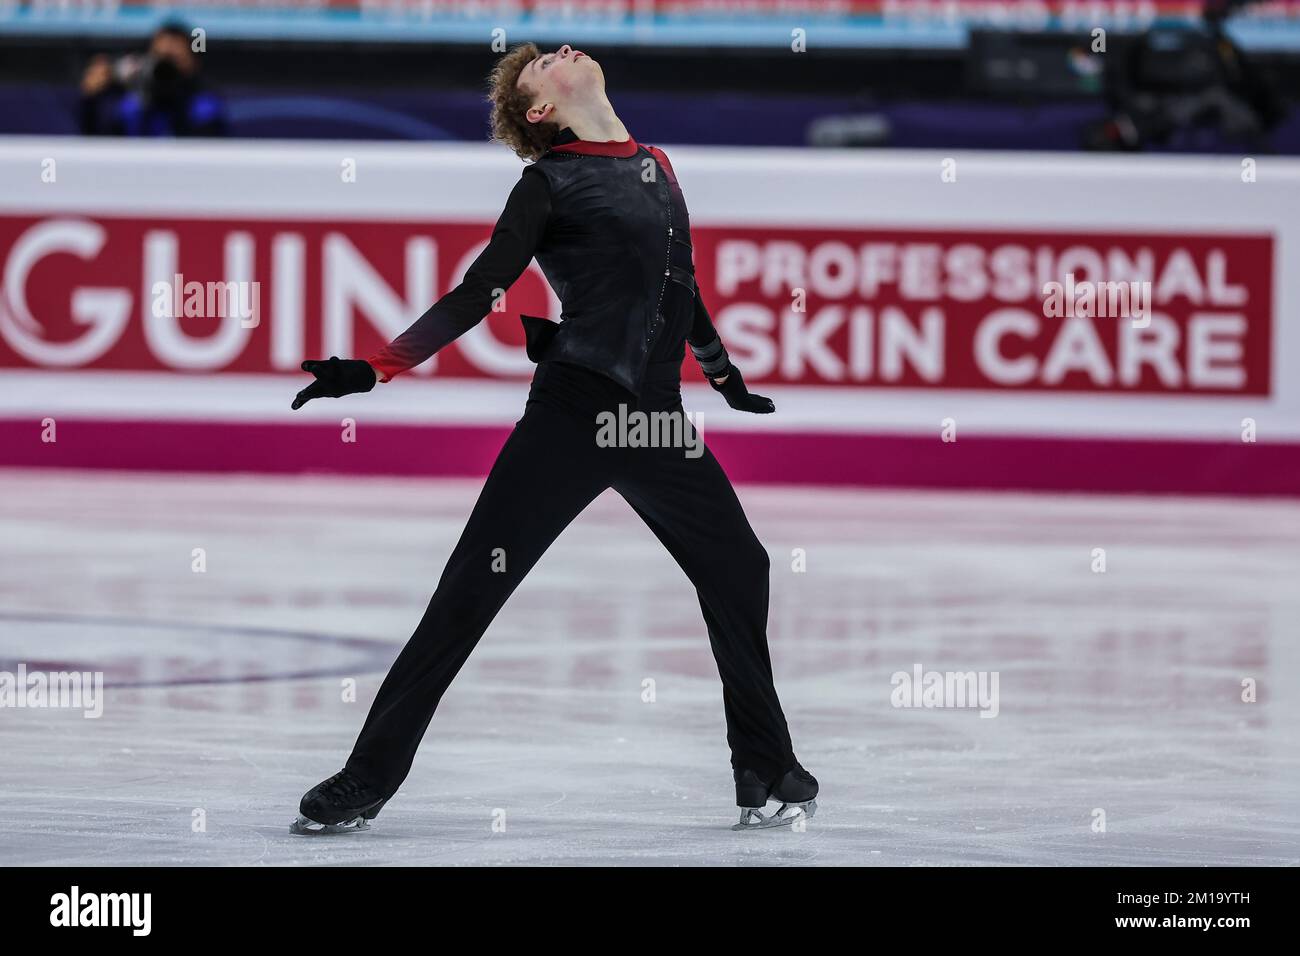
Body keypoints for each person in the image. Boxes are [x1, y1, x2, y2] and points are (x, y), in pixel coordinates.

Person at [288, 42, 817, 833]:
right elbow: (480, 290)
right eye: (540, 66)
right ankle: (365, 778)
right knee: (471, 589)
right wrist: (377, 368)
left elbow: (682, 287)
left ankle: (765, 767)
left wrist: (724, 375)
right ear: (542, 112)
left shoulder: (658, 165)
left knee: (739, 565)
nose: (559, 51)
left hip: (652, 420)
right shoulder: (547, 183)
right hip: (573, 413)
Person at [79, 21, 227, 137]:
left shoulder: (205, 109)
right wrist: (91, 101)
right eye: (160, 59)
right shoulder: (130, 109)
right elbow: (97, 149)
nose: (165, 70)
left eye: (173, 60)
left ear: (193, 63)